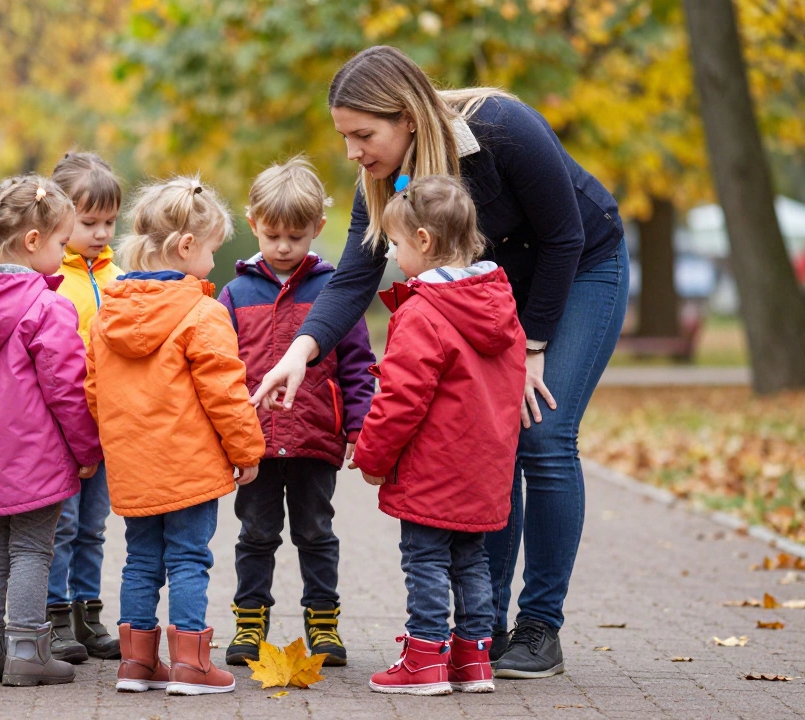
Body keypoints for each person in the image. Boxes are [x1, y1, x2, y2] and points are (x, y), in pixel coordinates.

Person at [250, 45, 630, 679]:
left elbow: (565, 237)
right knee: (493, 441)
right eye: (345, 137)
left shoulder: (503, 128)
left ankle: (541, 627)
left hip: (581, 267)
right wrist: (299, 352)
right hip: (494, 284)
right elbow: (354, 277)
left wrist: (530, 347)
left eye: (363, 135)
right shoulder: (383, 179)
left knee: (544, 435)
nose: (353, 152)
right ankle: (487, 629)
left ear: (406, 117)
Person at [86, 176, 266, 696]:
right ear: (187, 246)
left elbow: (94, 391)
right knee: (189, 559)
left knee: (141, 559)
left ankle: (137, 663)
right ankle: (191, 664)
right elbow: (226, 394)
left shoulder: (107, 314)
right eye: (210, 250)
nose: (212, 261)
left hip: (134, 468)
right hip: (190, 468)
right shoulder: (203, 313)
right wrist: (247, 451)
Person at [354, 175, 525, 695]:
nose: (395, 256)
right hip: (484, 466)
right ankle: (473, 659)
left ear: (424, 242)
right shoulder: (499, 304)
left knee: (425, 559)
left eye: (398, 245)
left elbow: (401, 398)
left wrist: (371, 456)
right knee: (471, 559)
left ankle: (425, 656)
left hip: (433, 468)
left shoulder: (423, 313)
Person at [0, 175, 102, 687]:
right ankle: (27, 649)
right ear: (33, 242)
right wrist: (87, 449)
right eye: (59, 243)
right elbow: (68, 390)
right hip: (36, 455)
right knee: (32, 549)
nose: (62, 252)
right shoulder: (48, 307)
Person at [215, 156, 374, 667]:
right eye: (274, 235)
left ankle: (323, 623)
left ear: (318, 229)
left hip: (314, 438)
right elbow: (219, 370)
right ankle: (248, 623)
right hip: (255, 440)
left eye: (297, 236)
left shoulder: (335, 294)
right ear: (253, 223)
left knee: (315, 533)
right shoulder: (235, 295)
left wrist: (357, 427)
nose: (284, 247)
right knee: (255, 534)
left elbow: (357, 365)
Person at [44, 151, 125, 663]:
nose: (100, 232)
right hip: (59, 427)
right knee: (62, 526)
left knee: (93, 527)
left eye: (109, 222)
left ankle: (87, 614)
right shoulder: (51, 278)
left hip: (107, 425)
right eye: (88, 222)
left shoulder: (120, 277)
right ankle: (53, 617)